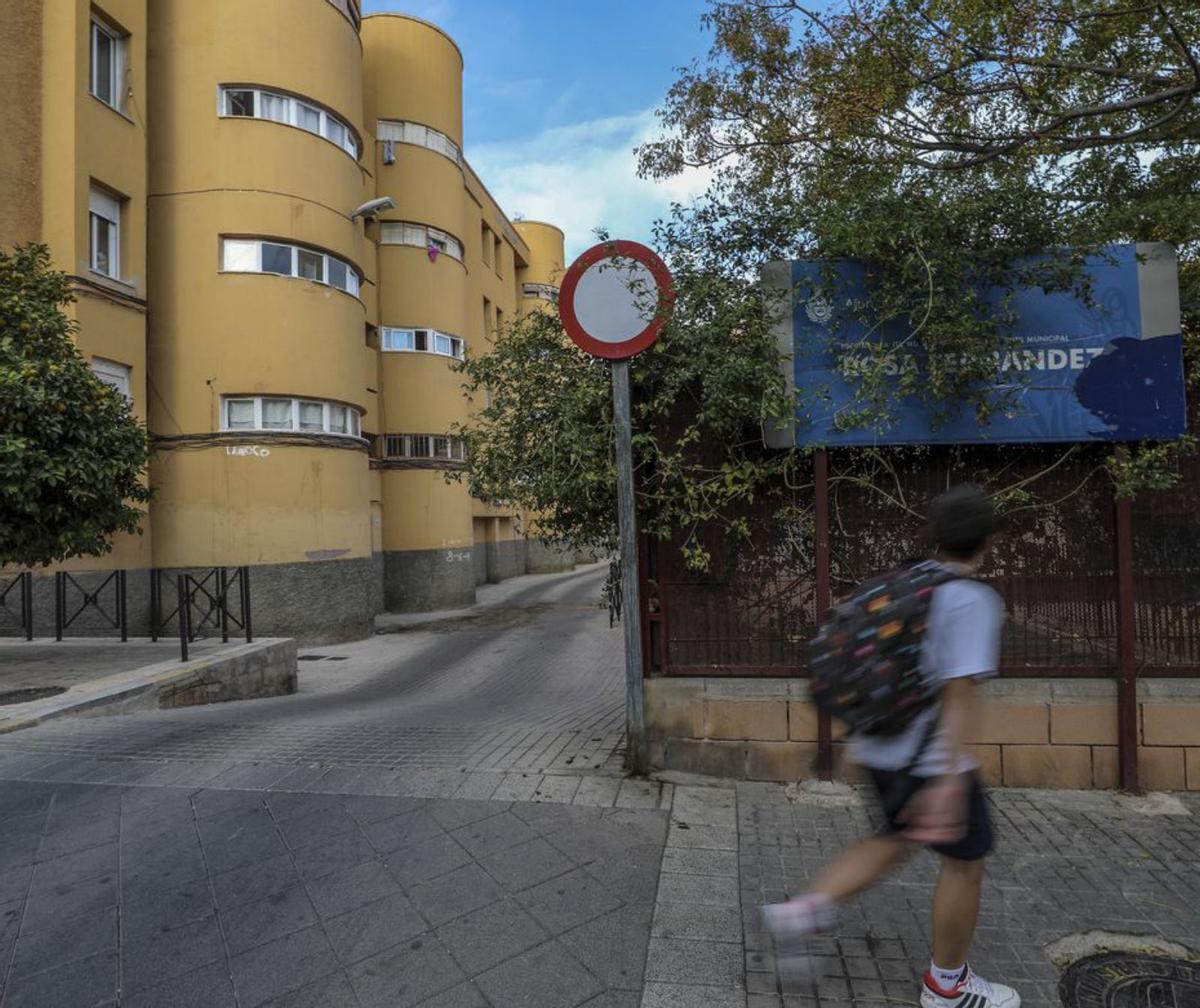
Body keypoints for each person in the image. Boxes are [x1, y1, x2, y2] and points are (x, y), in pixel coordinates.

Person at [762, 484, 1019, 1008]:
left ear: (935, 537)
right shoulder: (971, 600)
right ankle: (947, 986)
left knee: (894, 841)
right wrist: (949, 778)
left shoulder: (904, 582)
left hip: (881, 748)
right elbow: (958, 693)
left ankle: (800, 913)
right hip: (931, 760)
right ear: (990, 540)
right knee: (965, 864)